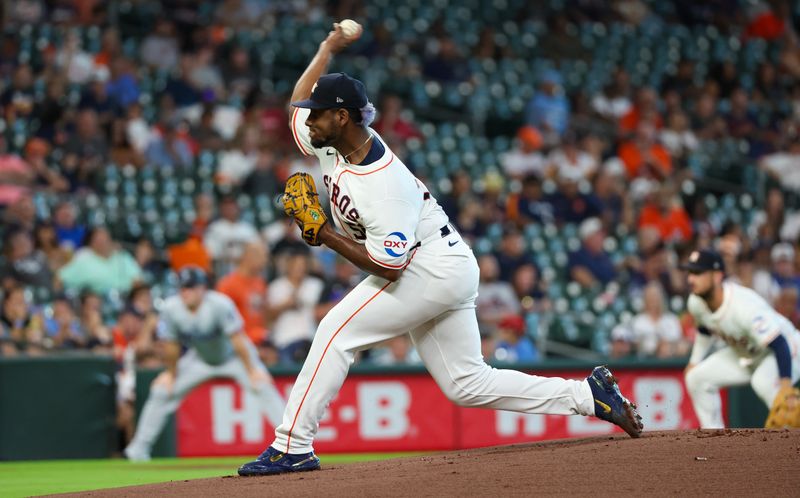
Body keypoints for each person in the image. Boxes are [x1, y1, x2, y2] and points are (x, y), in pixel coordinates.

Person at [238, 24, 642, 477]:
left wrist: (322, 235)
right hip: (442, 261)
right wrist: (327, 48)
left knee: (335, 331)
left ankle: (292, 445)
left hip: (429, 265)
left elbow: (390, 271)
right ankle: (589, 396)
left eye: (318, 114)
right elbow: (298, 97)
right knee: (466, 382)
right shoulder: (330, 139)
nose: (307, 121)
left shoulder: (385, 186)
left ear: (343, 117)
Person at [124, 267, 285, 461]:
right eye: (182, 287)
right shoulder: (171, 308)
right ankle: (138, 450)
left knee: (263, 386)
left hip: (234, 357)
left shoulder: (220, 304)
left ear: (203, 289)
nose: (185, 292)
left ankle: (292, 444)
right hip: (199, 358)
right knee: (161, 390)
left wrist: (252, 370)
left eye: (190, 287)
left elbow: (237, 340)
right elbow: (172, 346)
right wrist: (170, 374)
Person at [681, 249, 800, 428]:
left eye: (698, 273)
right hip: (747, 353)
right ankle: (714, 439)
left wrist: (785, 386)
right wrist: (694, 361)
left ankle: (791, 443)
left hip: (789, 348)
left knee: (763, 382)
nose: (691, 279)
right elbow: (705, 328)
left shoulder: (744, 307)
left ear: (717, 276)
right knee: (696, 377)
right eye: (690, 272)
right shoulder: (696, 301)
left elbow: (779, 343)